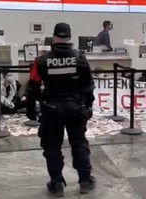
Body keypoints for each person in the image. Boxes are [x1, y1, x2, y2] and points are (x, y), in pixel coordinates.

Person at [26, 22, 96, 197]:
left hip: (51, 109)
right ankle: (85, 181)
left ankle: (57, 184)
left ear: (54, 37)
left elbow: (32, 87)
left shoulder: (42, 61)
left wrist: (31, 111)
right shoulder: (80, 58)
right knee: (79, 144)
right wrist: (88, 107)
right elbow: (88, 85)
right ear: (70, 37)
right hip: (75, 107)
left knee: (51, 146)